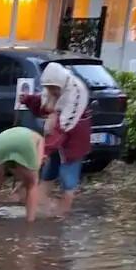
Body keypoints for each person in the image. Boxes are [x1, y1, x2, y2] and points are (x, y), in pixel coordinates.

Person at [25, 62, 92, 216]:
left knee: (68, 178)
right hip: (57, 139)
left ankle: (62, 213)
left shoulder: (76, 92)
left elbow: (63, 127)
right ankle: (40, 208)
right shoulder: (51, 91)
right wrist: (28, 99)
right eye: (48, 88)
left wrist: (45, 150)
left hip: (74, 140)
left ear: (60, 84)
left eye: (53, 88)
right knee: (48, 173)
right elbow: (43, 106)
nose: (51, 91)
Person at [0, 126, 44, 223]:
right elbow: (37, 166)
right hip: (24, 143)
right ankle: (30, 222)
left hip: (1, 141)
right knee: (32, 185)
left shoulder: (20, 132)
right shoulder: (40, 139)